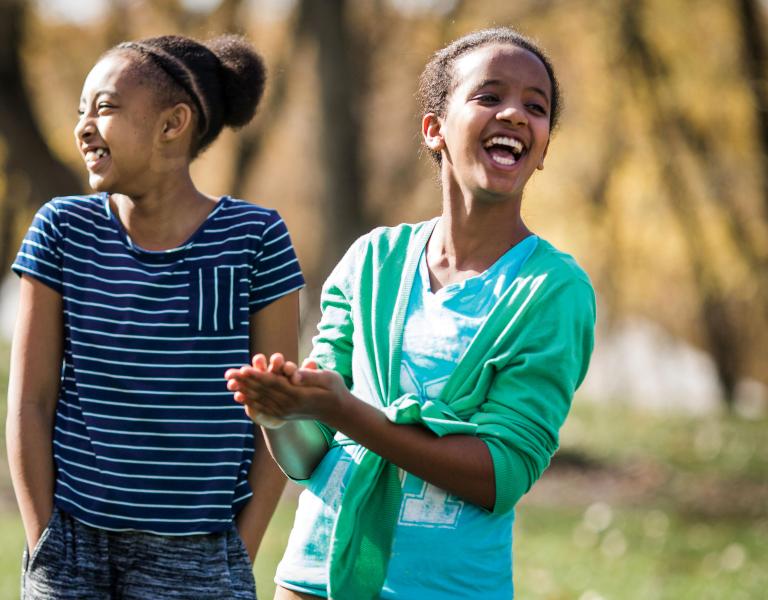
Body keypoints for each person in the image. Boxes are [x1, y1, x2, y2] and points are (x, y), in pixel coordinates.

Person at [226, 27, 596, 600]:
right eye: (489, 96)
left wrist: (345, 411)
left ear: (543, 148)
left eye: (536, 106)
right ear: (434, 130)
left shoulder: (552, 289)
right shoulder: (373, 260)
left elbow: (501, 474)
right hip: (311, 580)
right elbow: (309, 458)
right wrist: (280, 413)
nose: (517, 114)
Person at [7, 34, 305, 599]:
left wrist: (239, 548)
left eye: (105, 107)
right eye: (80, 112)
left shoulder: (254, 238)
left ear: (173, 124)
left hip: (201, 551)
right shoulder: (62, 230)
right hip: (72, 546)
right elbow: (30, 399)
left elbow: (278, 415)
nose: (84, 126)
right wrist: (43, 537)